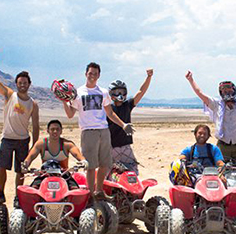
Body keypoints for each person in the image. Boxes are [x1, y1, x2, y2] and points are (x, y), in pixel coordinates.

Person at [61, 62, 133, 198]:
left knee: (105, 164)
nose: (92, 76)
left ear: (99, 75)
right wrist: (64, 101)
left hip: (104, 131)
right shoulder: (78, 93)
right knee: (90, 165)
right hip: (88, 131)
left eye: (95, 73)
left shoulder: (103, 92)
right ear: (85, 74)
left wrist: (123, 125)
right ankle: (90, 194)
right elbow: (70, 114)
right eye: (90, 73)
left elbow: (110, 113)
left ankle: (99, 191)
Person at [0, 52, 40, 199]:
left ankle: (19, 196)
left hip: (23, 140)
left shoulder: (33, 104)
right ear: (16, 84)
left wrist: (34, 146)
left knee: (21, 170)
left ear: (29, 84)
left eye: (25, 83)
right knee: (1, 167)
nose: (22, 85)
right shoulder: (10, 95)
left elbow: (36, 126)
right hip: (7, 139)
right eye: (20, 82)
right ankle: (1, 192)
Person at [107, 69, 153, 174]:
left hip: (125, 146)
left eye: (122, 92)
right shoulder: (108, 109)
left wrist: (148, 77)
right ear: (111, 94)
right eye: (116, 92)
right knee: (107, 173)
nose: (120, 94)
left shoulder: (127, 106)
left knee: (133, 172)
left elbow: (141, 92)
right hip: (111, 147)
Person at [22, 120, 87, 190]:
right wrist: (25, 165)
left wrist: (83, 161)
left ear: (61, 131)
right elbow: (31, 156)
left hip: (64, 174)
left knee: (75, 190)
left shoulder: (67, 144)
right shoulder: (41, 144)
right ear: (48, 131)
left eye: (57, 129)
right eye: (52, 129)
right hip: (44, 174)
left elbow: (77, 154)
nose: (55, 131)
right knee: (33, 189)